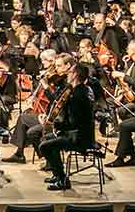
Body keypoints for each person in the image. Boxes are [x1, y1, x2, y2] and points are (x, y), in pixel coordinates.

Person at [37, 58, 96, 191]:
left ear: (75, 75)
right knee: (47, 139)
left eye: (70, 72)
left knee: (44, 146)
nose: (67, 74)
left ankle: (63, 180)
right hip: (77, 133)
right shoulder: (78, 90)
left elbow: (75, 123)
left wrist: (55, 126)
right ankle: (58, 175)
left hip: (79, 137)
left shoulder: (77, 95)